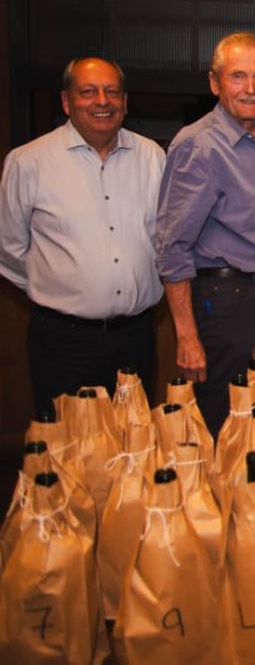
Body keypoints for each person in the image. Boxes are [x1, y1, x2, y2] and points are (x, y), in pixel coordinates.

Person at [1, 57, 164, 414]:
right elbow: (8, 249)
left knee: (133, 440)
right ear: (66, 101)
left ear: (124, 101)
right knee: (67, 441)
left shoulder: (153, 157)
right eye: (88, 92)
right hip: (63, 342)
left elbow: (162, 240)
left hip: (135, 338)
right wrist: (58, 288)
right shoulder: (28, 162)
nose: (102, 101)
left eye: (112, 92)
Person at [156, 32, 255, 436]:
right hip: (226, 302)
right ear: (215, 82)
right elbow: (172, 248)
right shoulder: (197, 145)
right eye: (238, 76)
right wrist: (186, 335)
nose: (250, 88)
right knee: (229, 429)